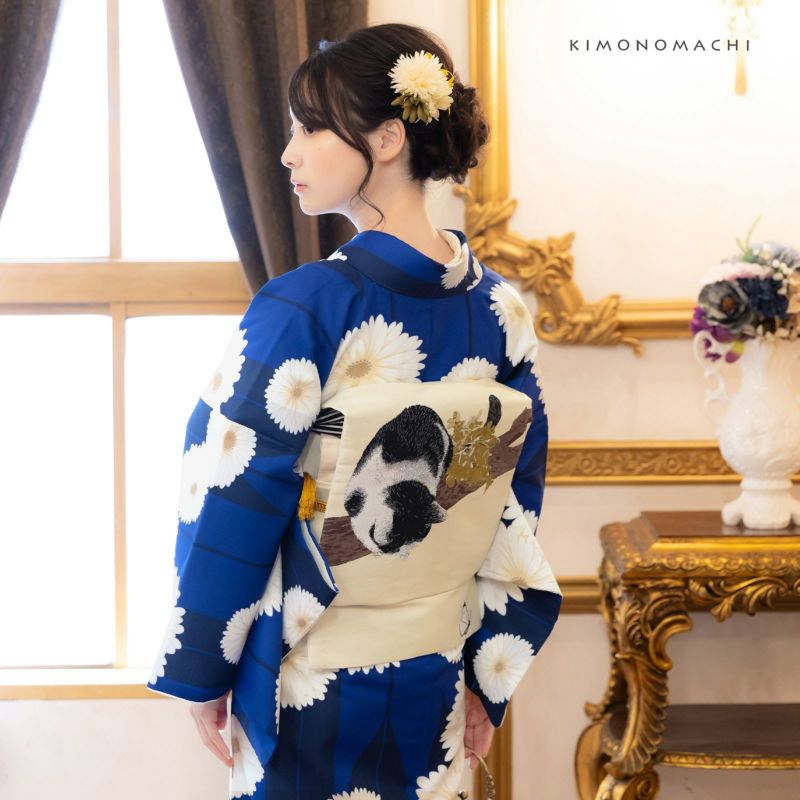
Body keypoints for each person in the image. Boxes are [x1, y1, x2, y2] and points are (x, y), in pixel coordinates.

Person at [146, 22, 562, 800]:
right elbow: (514, 498)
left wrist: (203, 664)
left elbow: (235, 487)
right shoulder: (501, 308)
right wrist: (487, 669)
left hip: (310, 674)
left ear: (388, 138)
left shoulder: (306, 305)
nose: (288, 154)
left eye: (310, 129)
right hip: (436, 665)